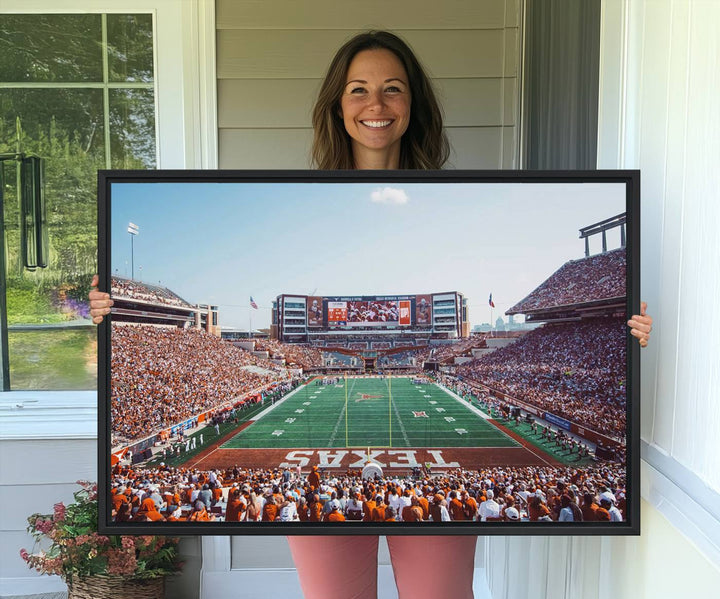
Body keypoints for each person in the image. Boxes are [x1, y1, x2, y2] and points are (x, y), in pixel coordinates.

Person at [89, 29, 653, 599]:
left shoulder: (455, 195)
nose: (375, 105)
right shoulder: (294, 191)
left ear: (414, 104)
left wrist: (626, 332)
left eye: (393, 89)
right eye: (358, 89)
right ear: (337, 104)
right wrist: (110, 319)